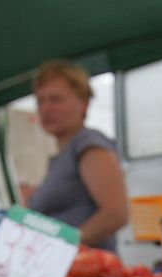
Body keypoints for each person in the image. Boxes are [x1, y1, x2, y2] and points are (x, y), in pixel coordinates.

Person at [26, 60, 129, 252]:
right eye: (41, 101)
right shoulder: (61, 156)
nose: (46, 108)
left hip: (88, 273)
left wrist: (62, 247)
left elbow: (115, 214)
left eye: (56, 99)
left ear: (84, 103)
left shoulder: (88, 144)